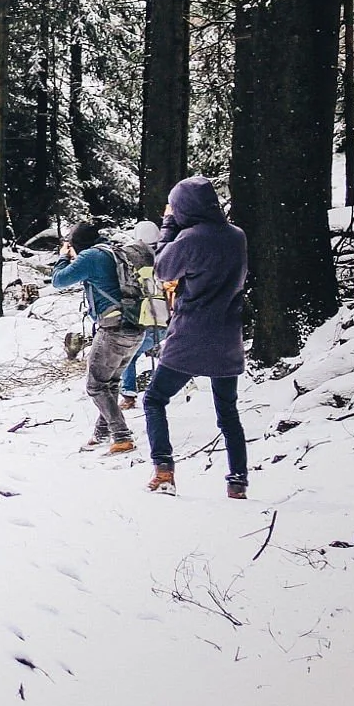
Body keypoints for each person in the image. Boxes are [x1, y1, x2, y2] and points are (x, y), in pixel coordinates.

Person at [143, 175, 250, 498]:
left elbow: (162, 270)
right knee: (228, 413)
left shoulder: (189, 239)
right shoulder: (237, 236)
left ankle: (163, 470)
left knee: (154, 399)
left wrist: (167, 227)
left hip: (191, 335)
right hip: (228, 335)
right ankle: (238, 481)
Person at [51, 221, 147, 455]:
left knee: (95, 386)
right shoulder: (114, 252)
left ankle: (122, 436)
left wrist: (64, 257)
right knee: (109, 383)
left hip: (113, 330)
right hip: (136, 327)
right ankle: (101, 433)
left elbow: (58, 280)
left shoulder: (90, 257)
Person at [119, 220, 168, 408]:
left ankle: (129, 395)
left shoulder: (134, 262)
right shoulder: (165, 258)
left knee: (128, 355)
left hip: (145, 320)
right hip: (166, 319)